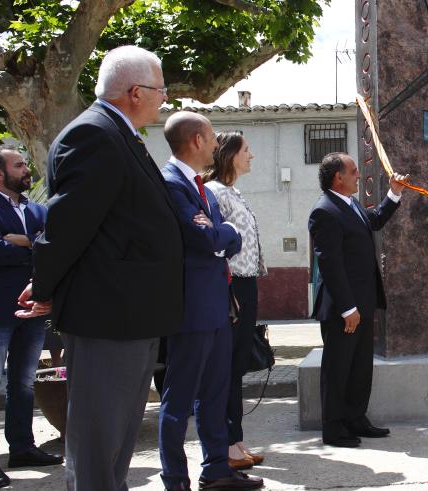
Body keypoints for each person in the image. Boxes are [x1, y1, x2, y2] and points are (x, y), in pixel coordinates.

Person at [16, 45, 184, 491]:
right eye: (160, 89)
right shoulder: (93, 134)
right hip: (108, 314)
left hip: (130, 314)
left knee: (117, 442)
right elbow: (68, 225)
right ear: (134, 91)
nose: (164, 98)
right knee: (97, 443)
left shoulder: (118, 134)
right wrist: (44, 286)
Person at [158, 112, 261, 491]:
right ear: (198, 141)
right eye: (213, 138)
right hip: (192, 309)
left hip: (217, 306)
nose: (218, 145)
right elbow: (208, 240)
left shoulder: (199, 186)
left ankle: (217, 469)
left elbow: (217, 237)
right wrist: (225, 232)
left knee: (216, 394)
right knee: (180, 399)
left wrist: (221, 233)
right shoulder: (171, 184)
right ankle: (175, 480)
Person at [0, 145, 61, 488]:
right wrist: (35, 248)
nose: (26, 169)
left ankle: (22, 448)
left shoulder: (37, 211)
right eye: (18, 165)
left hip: (32, 311)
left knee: (23, 384)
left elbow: (56, 249)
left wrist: (25, 243)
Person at [308, 152, 406, 448]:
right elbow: (331, 265)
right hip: (343, 308)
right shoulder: (324, 211)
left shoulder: (350, 205)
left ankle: (355, 418)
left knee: (360, 366)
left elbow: (374, 219)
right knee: (338, 369)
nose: (358, 175)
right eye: (353, 171)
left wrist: (394, 193)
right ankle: (334, 429)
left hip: (363, 303)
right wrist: (348, 308)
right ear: (338, 178)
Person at [203, 131, 268, 470]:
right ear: (229, 155)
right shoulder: (213, 193)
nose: (251, 155)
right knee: (226, 369)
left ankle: (236, 441)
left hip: (245, 285)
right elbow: (217, 245)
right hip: (230, 288)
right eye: (246, 150)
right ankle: (226, 445)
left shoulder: (233, 192)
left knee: (236, 368)